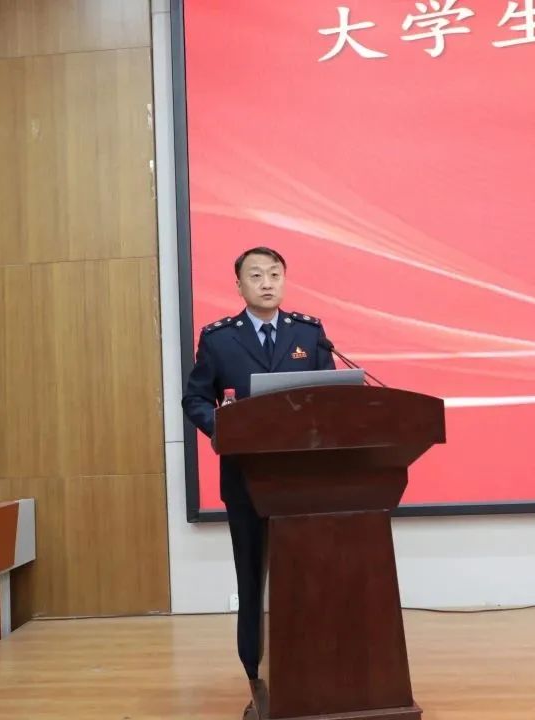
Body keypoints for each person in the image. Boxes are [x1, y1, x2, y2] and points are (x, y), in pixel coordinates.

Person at [181, 246, 335, 711]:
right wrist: (222, 427)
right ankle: (255, 672)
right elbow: (195, 399)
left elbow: (331, 397)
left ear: (284, 280)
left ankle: (311, 666)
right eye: (256, 275)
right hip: (246, 481)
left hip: (302, 483)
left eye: (274, 274)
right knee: (251, 577)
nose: (267, 283)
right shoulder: (218, 339)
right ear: (239, 285)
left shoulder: (309, 333)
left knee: (307, 576)